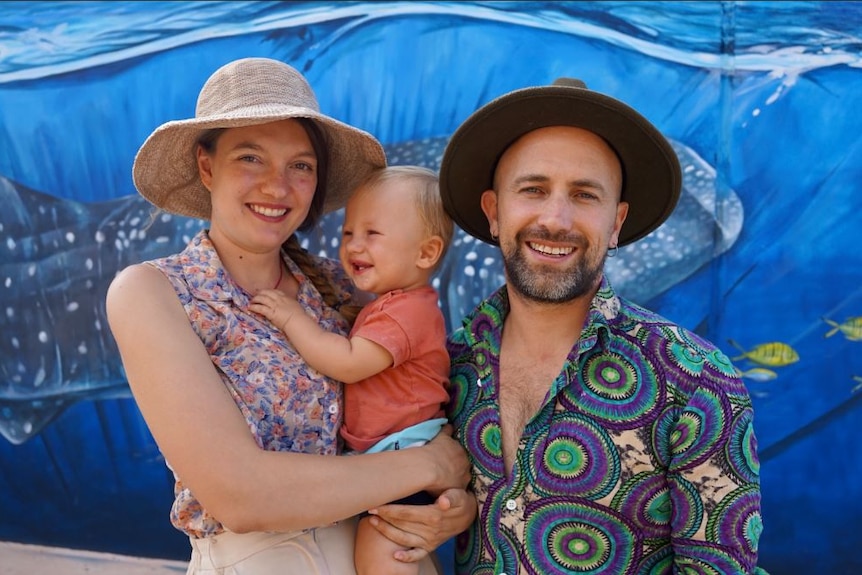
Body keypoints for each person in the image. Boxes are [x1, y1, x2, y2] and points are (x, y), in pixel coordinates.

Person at [105, 57, 475, 575]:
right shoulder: (155, 291)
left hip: (380, 553)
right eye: (251, 158)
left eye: (300, 165)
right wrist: (429, 465)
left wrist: (447, 510)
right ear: (207, 166)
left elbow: (416, 400)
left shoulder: (345, 285)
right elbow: (243, 496)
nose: (278, 187)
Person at [432, 78, 764, 574]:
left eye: (585, 195)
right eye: (534, 189)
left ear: (616, 223)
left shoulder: (694, 381)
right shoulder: (448, 366)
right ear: (493, 211)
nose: (556, 218)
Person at [250, 165, 455, 575]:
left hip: (405, 453)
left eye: (372, 234)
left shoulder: (405, 313)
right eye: (348, 233)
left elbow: (346, 363)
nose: (354, 246)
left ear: (426, 253)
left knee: (383, 549)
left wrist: (292, 320)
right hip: (391, 455)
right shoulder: (389, 304)